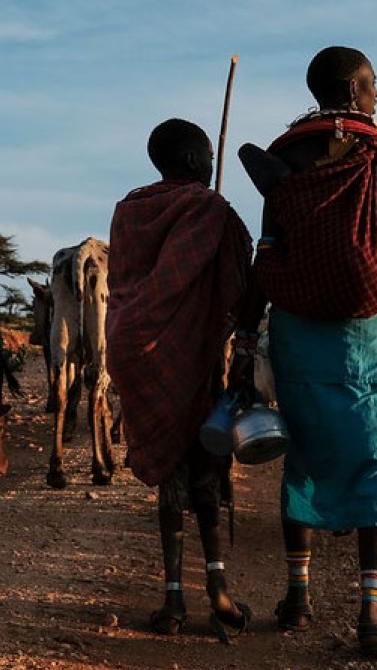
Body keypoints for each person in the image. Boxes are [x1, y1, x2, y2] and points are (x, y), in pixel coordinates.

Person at [240, 45, 377, 657]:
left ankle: (297, 597)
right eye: (372, 84)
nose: (376, 94)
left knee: (306, 455)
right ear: (352, 85)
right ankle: (372, 608)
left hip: (298, 327)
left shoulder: (284, 153)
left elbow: (269, 244)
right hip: (368, 328)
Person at [106, 118, 253, 640]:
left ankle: (173, 597)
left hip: (132, 347)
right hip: (187, 355)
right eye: (209, 155)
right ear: (195, 162)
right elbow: (238, 280)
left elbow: (128, 279)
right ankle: (217, 590)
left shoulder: (129, 210)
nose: (213, 163)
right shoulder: (207, 208)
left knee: (169, 468)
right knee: (202, 467)